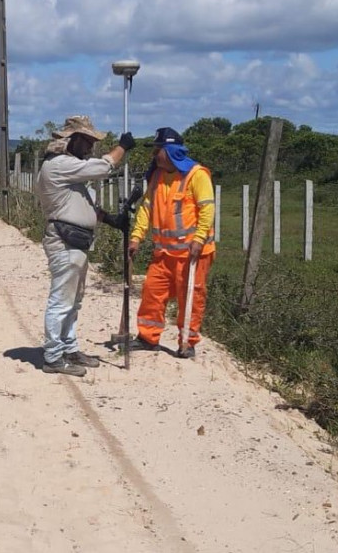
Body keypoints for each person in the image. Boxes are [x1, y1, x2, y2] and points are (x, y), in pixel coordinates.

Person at [35, 116, 135, 376]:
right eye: (88, 141)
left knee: (74, 300)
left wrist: (110, 220)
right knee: (62, 300)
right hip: (64, 241)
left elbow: (81, 204)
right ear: (74, 139)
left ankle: (69, 348)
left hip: (76, 241)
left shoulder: (69, 169)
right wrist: (122, 147)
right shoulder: (60, 164)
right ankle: (53, 357)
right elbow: (102, 166)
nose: (91, 146)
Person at [128, 127, 216, 359]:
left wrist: (198, 239)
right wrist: (136, 237)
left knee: (191, 298)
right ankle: (148, 338)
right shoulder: (157, 176)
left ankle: (187, 342)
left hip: (193, 254)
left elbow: (207, 209)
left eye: (157, 150)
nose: (154, 155)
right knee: (152, 292)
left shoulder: (197, 175)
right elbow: (146, 208)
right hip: (164, 253)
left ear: (170, 151)